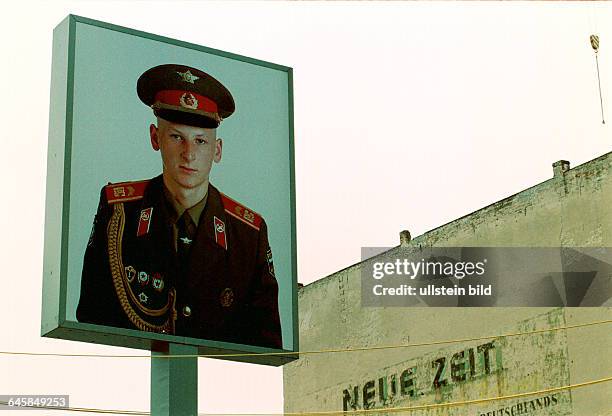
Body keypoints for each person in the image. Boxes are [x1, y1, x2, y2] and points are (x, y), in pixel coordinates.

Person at [76, 64, 282, 349]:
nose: (189, 153)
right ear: (154, 137)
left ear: (217, 150)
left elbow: (265, 344)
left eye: (200, 141)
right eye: (176, 137)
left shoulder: (248, 233)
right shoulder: (118, 212)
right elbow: (92, 318)